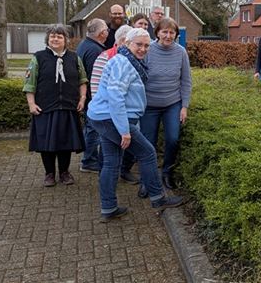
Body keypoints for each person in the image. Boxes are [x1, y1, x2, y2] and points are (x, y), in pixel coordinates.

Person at [87, 28, 184, 222]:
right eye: (138, 44)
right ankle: (158, 198)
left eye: (147, 45)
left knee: (111, 162)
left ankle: (109, 207)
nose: (143, 49)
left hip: (104, 117)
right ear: (126, 43)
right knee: (147, 153)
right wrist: (124, 130)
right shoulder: (123, 63)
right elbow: (116, 97)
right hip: (113, 119)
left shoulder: (126, 61)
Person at [23, 24, 87, 187]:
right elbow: (29, 84)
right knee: (47, 144)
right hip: (45, 108)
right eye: (52, 36)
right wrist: (31, 104)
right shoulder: (38, 57)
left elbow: (82, 80)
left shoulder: (74, 58)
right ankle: (49, 174)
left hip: (68, 107)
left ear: (65, 40)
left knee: (65, 143)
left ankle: (65, 173)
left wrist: (82, 98)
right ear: (48, 39)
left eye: (59, 36)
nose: (55, 38)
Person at [137, 18, 192, 190]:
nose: (168, 36)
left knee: (173, 139)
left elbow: (186, 80)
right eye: (164, 32)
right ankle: (147, 179)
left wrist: (184, 106)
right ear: (157, 32)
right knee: (148, 143)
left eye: (172, 32)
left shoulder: (181, 52)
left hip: (172, 104)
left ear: (176, 34)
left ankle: (167, 172)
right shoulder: (148, 50)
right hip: (149, 105)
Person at [76, 18, 108, 173]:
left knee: (90, 129)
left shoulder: (84, 45)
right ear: (102, 33)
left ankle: (88, 158)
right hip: (91, 98)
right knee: (93, 130)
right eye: (106, 30)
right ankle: (89, 161)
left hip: (86, 97)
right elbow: (94, 77)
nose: (108, 32)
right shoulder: (96, 51)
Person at [90, 25, 132, 98]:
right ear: (123, 41)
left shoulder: (135, 57)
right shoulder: (105, 57)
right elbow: (96, 87)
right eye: (132, 41)